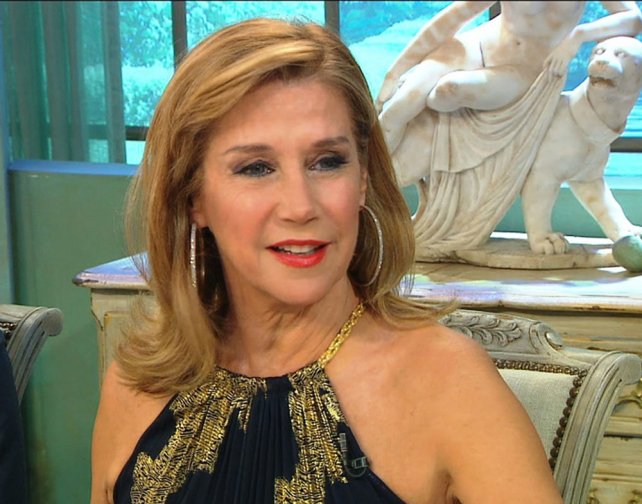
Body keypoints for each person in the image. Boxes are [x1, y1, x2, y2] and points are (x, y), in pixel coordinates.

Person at [91, 18, 564, 504]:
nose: (300, 207)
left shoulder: (449, 384)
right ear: (194, 198)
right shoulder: (136, 383)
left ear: (363, 179)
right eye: (256, 168)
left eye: (327, 162)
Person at [377, 1, 642, 154]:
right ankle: (370, 198)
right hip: (477, 45)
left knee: (446, 92)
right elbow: (453, 17)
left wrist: (579, 35)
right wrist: (395, 71)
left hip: (523, 71)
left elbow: (633, 19)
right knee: (395, 111)